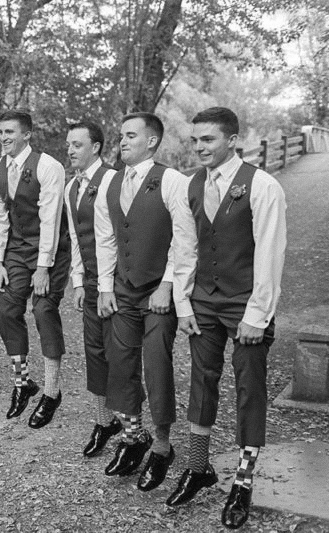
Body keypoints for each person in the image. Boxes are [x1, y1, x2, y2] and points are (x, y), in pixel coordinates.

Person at [165, 107, 286, 530]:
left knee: (249, 386)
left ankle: (244, 479)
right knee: (202, 378)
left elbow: (271, 252)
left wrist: (258, 313)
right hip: (204, 300)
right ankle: (199, 466)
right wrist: (184, 305)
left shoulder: (262, 185)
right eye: (195, 140)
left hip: (246, 302)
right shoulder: (190, 185)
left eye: (209, 140)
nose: (199, 148)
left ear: (232, 140)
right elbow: (184, 247)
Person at [94, 112, 197, 491]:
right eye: (120, 135)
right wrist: (105, 287)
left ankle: (162, 446)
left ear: (152, 141)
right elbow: (105, 239)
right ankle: (133, 437)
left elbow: (185, 239)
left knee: (156, 362)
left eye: (131, 136)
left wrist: (168, 286)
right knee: (120, 364)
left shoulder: (171, 180)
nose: (122, 142)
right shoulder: (111, 182)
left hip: (158, 291)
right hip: (123, 289)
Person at [0, 109, 71, 429]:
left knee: (43, 309)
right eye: (0, 132)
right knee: (4, 307)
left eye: (10, 132)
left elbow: (50, 219)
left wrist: (43, 268)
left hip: (51, 250)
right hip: (17, 249)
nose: (3, 138)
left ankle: (51, 392)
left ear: (26, 135)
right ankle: (23, 384)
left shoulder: (49, 166)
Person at [63, 121, 122, 455]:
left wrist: (106, 285)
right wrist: (78, 281)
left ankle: (134, 430)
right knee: (95, 352)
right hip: (91, 281)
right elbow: (76, 237)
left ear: (96, 147)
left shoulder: (113, 180)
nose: (71, 150)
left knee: (120, 354)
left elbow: (115, 235)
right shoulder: (71, 187)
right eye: (69, 145)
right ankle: (104, 420)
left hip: (116, 283)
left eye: (78, 144)